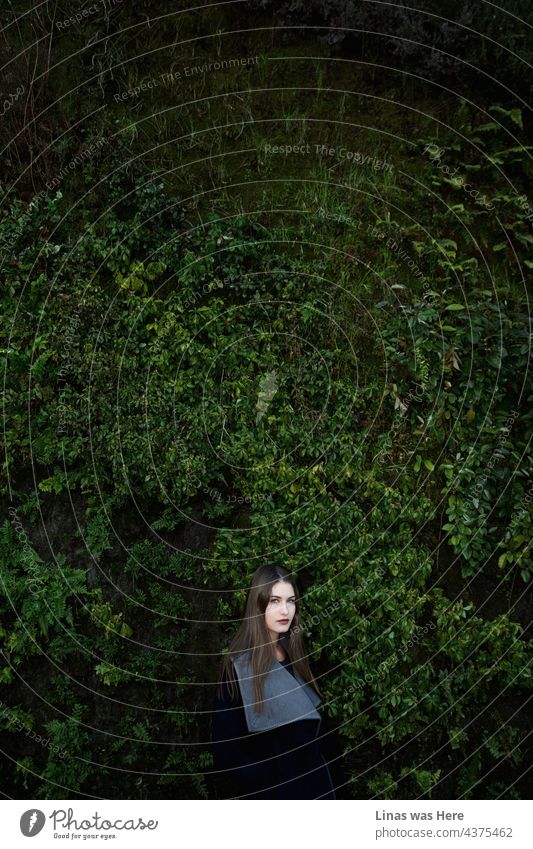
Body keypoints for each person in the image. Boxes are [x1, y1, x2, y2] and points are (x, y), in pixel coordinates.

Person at [211, 563, 337, 799]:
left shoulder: (294, 657)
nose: (285, 611)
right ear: (257, 605)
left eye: (290, 601)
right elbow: (227, 757)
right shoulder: (237, 669)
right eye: (275, 601)